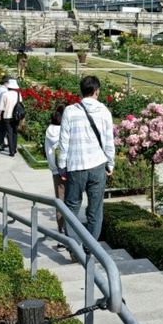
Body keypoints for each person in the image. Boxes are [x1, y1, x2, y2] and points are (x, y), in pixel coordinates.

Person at [58, 75, 114, 240]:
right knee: (95, 210)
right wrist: (110, 164)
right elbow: (109, 142)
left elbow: (64, 142)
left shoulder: (70, 111)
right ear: (96, 91)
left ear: (81, 91)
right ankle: (90, 250)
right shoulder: (104, 111)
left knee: (72, 207)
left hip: (76, 166)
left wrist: (62, 165)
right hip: (98, 166)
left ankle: (75, 249)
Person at [45, 104, 66, 237]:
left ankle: (61, 231)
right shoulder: (65, 131)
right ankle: (69, 232)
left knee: (60, 200)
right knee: (71, 201)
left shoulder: (49, 131)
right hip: (69, 170)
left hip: (56, 170)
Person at [0, 77, 23, 157]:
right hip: (16, 116)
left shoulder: (5, 94)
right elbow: (21, 105)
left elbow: (1, 107)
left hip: (7, 116)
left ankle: (11, 151)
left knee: (9, 133)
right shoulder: (18, 95)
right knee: (15, 132)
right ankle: (14, 149)